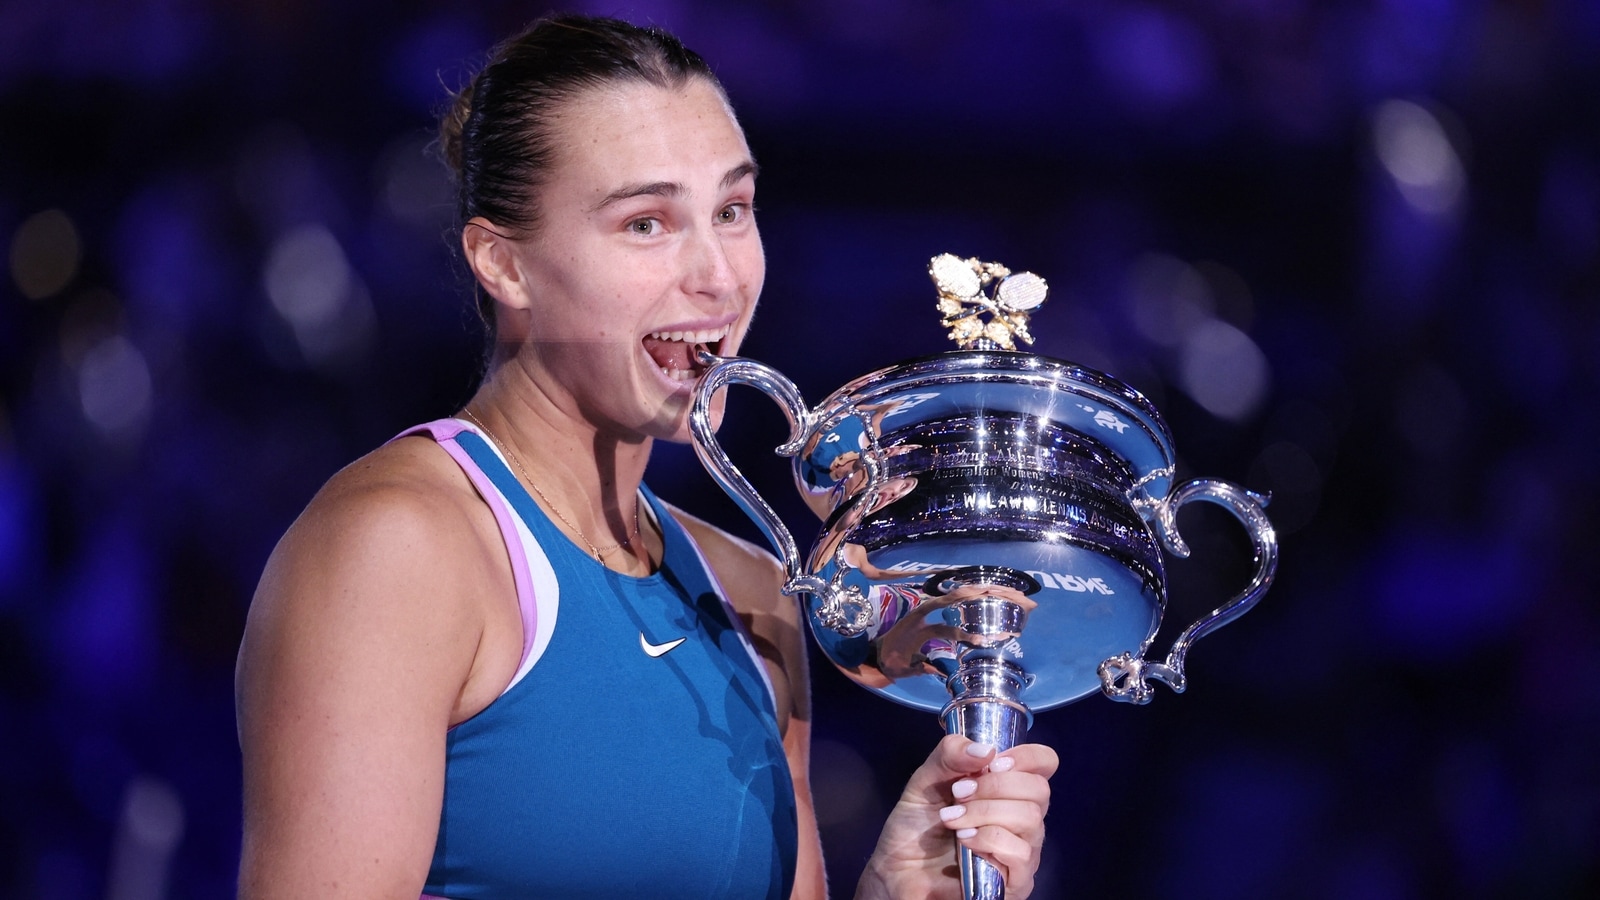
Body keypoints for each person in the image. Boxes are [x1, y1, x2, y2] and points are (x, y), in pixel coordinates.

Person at [235, 13, 1056, 899]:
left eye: (732, 210)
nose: (719, 274)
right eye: (646, 224)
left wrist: (894, 892)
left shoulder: (754, 591)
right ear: (504, 265)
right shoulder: (399, 550)